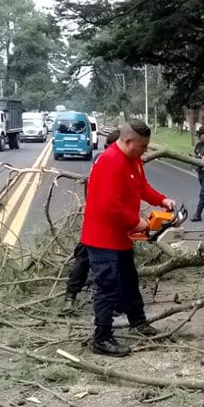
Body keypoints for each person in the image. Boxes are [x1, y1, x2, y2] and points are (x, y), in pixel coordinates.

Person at [81, 121, 176, 356]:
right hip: (103, 238)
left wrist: (161, 200)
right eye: (141, 146)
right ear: (127, 141)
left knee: (129, 282)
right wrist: (137, 223)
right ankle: (101, 338)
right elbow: (108, 205)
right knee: (107, 288)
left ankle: (138, 321)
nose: (144, 150)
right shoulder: (109, 162)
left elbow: (141, 186)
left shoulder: (133, 160)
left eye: (146, 146)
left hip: (121, 236)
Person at [64, 129, 122, 306]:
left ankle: (72, 295)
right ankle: (72, 296)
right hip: (102, 220)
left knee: (88, 257)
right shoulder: (107, 161)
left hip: (101, 217)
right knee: (90, 257)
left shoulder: (102, 159)